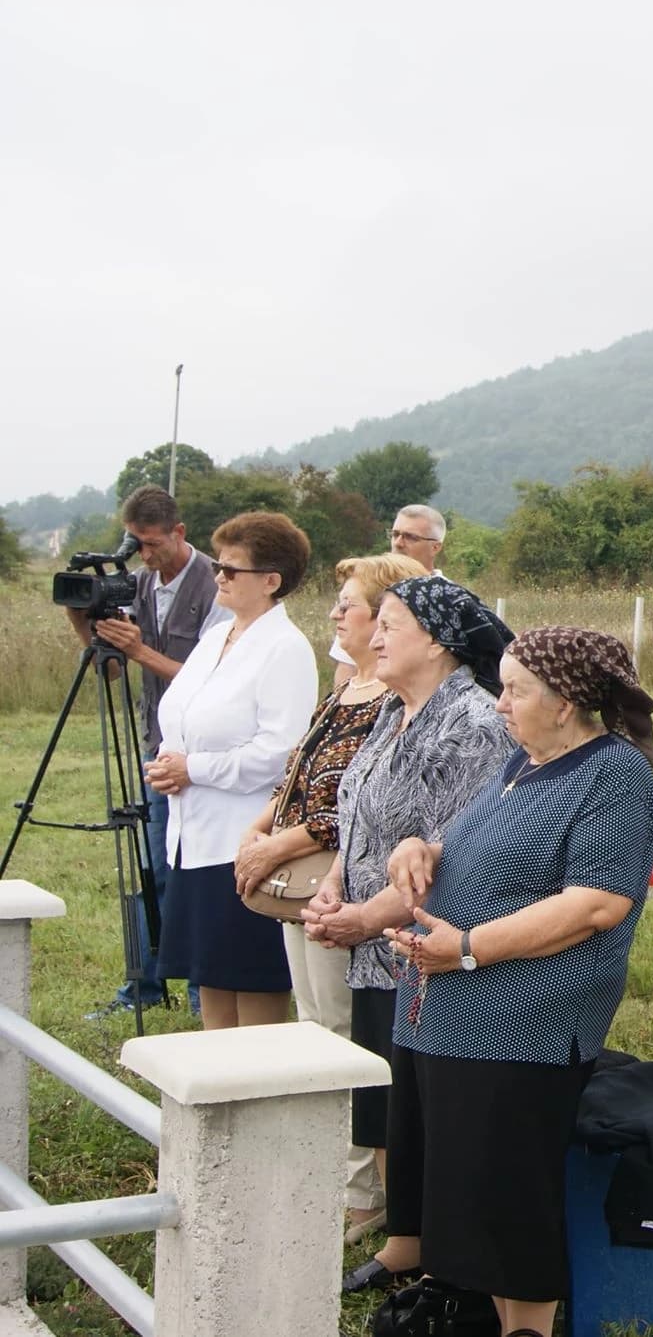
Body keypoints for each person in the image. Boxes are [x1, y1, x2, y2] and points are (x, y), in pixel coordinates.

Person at [379, 626, 653, 1337]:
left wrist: (468, 947)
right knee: (464, 1191)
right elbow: (479, 848)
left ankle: (529, 1328)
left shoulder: (615, 776)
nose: (500, 704)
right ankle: (479, 1310)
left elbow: (597, 902)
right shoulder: (523, 763)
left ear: (566, 702)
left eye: (516, 690)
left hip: (522, 1024)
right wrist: (419, 848)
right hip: (447, 1011)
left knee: (506, 1198)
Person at [307, 574, 517, 1293]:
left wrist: (367, 918)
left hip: (426, 943)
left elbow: (453, 847)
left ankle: (441, 1250)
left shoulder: (475, 722)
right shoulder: (393, 709)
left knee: (427, 1100)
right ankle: (405, 1239)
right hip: (374, 943)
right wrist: (335, 883)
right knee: (391, 1095)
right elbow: (359, 810)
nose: (373, 637)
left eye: (390, 624)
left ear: (435, 640)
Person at [234, 549, 427, 1239]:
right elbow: (299, 775)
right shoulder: (344, 689)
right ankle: (331, 1170)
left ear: (388, 616)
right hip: (303, 887)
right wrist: (259, 831)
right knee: (314, 1024)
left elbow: (349, 809)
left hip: (340, 884)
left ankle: (362, 1188)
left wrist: (274, 846)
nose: (336, 615)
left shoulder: (392, 704)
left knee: (344, 1032)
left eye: (347, 604)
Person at [148, 511, 319, 1030]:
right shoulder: (217, 637)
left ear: (270, 581)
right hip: (193, 835)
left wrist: (193, 768)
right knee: (211, 979)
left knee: (252, 981)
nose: (217, 576)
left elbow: (281, 753)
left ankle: (254, 1097)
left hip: (242, 839)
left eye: (231, 569)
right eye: (218, 565)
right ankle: (216, 1094)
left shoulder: (285, 648)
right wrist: (168, 763)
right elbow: (180, 713)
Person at [68, 485, 227, 1018]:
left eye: (153, 543)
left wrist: (140, 649)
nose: (146, 554)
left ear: (179, 533)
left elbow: (214, 681)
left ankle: (205, 988)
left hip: (207, 755)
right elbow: (112, 671)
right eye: (136, 543)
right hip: (158, 748)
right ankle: (142, 987)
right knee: (149, 866)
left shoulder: (217, 586)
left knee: (199, 871)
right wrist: (83, 617)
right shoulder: (134, 584)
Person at [332, 505, 448, 686]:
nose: (399, 543)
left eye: (411, 537)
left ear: (435, 547)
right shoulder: (368, 586)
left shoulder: (447, 601)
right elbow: (347, 665)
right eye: (395, 534)